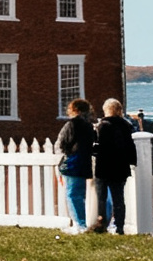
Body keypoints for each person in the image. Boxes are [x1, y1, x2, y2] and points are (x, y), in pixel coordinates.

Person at [91, 99, 136, 234]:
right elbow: (130, 146)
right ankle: (119, 226)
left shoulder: (103, 126)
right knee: (118, 198)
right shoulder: (126, 126)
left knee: (102, 198)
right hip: (120, 166)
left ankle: (102, 223)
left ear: (106, 110)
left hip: (104, 166)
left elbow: (99, 146)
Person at [55, 99, 96, 232]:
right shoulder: (89, 126)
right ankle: (81, 223)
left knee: (72, 194)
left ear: (75, 110)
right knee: (80, 195)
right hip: (84, 163)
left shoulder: (71, 124)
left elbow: (62, 143)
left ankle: (80, 225)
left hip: (72, 162)